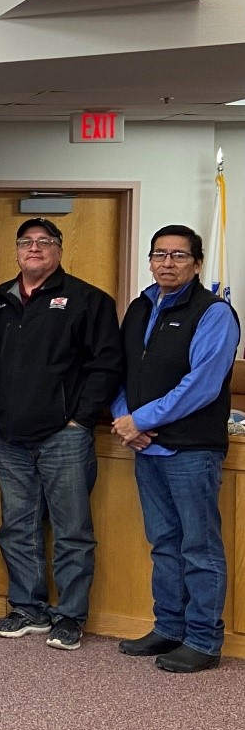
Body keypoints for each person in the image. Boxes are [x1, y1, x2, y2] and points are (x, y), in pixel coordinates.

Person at [0, 218, 123, 650]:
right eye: (26, 242)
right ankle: (28, 609)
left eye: (44, 242)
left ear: (59, 250)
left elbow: (107, 365)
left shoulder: (88, 300)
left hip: (64, 437)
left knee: (72, 530)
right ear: (16, 250)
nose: (34, 249)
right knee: (17, 527)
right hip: (9, 435)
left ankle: (70, 616)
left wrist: (79, 418)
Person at [112, 225, 239, 674]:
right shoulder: (141, 306)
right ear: (149, 260)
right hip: (147, 449)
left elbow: (202, 384)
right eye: (160, 254)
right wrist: (127, 420)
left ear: (198, 263)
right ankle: (168, 627)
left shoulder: (214, 312)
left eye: (179, 256)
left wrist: (142, 419)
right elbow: (122, 370)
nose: (168, 263)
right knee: (164, 543)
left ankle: (203, 640)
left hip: (191, 450)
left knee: (198, 547)